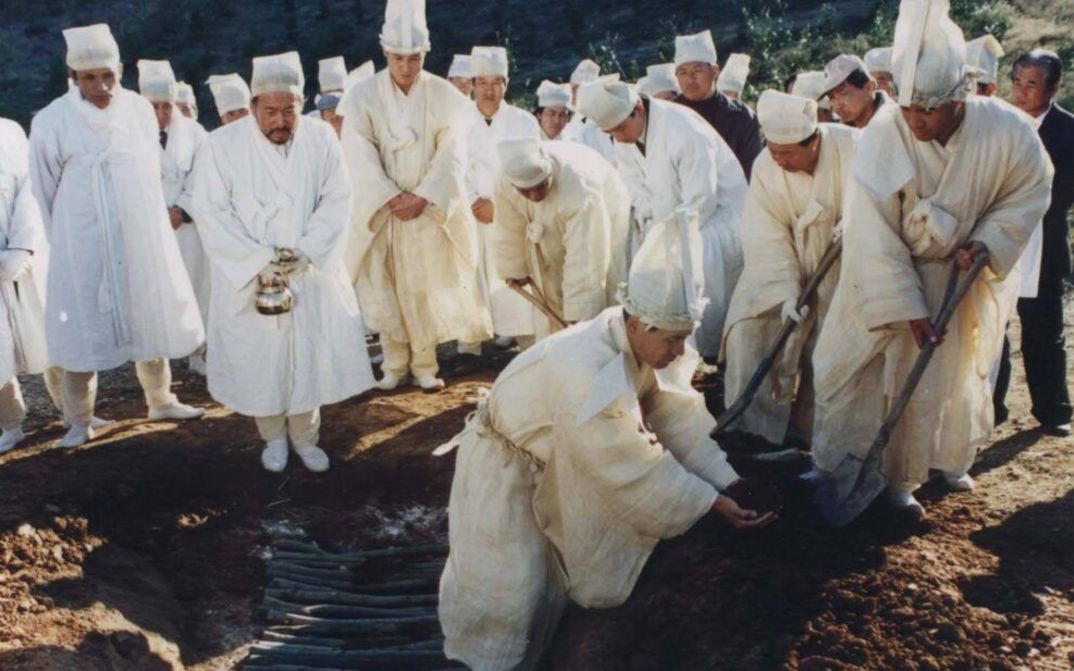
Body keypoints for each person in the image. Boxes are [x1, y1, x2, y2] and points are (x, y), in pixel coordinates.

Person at [438, 211, 775, 671]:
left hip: (551, 458)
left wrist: (727, 481)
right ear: (638, 323)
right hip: (505, 468)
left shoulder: (635, 342)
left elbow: (673, 417)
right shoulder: (586, 368)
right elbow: (630, 463)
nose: (680, 352)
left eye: (684, 339)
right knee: (511, 592)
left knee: (546, 584)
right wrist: (711, 503)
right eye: (674, 340)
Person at [810, 0, 1053, 517]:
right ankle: (843, 466)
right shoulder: (885, 131)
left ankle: (902, 478)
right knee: (850, 370)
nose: (916, 122)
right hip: (880, 277)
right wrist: (906, 305)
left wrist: (988, 239)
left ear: (960, 98)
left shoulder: (1008, 131)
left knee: (931, 383)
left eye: (929, 110)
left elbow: (1029, 189)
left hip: (952, 276)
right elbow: (872, 227)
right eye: (908, 108)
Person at [191, 51, 376, 473]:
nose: (280, 121)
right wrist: (259, 260)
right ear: (253, 106)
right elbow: (212, 211)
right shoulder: (221, 145)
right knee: (263, 357)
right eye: (270, 111)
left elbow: (337, 197)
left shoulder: (321, 138)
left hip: (307, 269)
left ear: (301, 103)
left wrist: (308, 249)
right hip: (253, 275)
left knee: (308, 353)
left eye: (288, 111)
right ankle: (273, 438)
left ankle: (307, 438)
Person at [30, 23, 206, 449]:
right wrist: (69, 242)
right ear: (72, 78)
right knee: (83, 327)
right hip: (81, 241)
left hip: (137, 233)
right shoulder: (53, 119)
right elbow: (44, 188)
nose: (101, 85)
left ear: (120, 71)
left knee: (146, 309)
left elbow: (149, 171)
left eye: (107, 75)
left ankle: (161, 399)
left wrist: (144, 228)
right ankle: (81, 419)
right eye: (89, 77)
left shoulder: (138, 110)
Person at [342, 0, 491, 391]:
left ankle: (425, 364)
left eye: (413, 58)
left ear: (425, 53)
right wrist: (388, 196)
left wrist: (423, 196)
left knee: (425, 283)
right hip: (386, 210)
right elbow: (358, 150)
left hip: (425, 210)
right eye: (396, 58)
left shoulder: (445, 95)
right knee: (386, 282)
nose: (405, 67)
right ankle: (393, 364)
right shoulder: (362, 95)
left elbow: (453, 149)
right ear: (384, 52)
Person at [577, 78, 747, 363]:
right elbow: (633, 183)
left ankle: (704, 359)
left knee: (699, 293)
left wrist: (666, 237)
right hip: (670, 224)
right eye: (611, 133)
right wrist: (652, 224)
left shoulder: (683, 130)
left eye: (620, 129)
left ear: (639, 109)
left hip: (714, 223)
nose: (618, 137)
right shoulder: (625, 134)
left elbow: (701, 199)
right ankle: (675, 358)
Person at [722, 91, 857, 446]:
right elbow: (765, 233)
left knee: (831, 350)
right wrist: (785, 292)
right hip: (781, 267)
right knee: (747, 331)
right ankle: (754, 433)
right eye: (773, 150)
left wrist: (857, 223)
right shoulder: (766, 165)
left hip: (845, 269)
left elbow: (879, 203)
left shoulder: (854, 148)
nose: (778, 160)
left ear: (814, 141)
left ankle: (813, 434)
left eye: (788, 153)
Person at [993, 49, 1073, 436]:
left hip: (1043, 241)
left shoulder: (1068, 131)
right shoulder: (998, 124)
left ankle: (1053, 411)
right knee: (992, 329)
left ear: (1054, 88)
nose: (1021, 93)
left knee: (1044, 331)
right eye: (1017, 83)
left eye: (1032, 85)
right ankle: (991, 409)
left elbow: (1063, 195)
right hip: (999, 239)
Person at [491, 138, 630, 339]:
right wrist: (514, 268)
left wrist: (580, 312)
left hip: (606, 215)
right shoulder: (503, 181)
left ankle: (597, 343)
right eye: (526, 191)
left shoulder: (579, 185)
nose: (535, 195)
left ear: (549, 173)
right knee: (548, 283)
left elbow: (585, 257)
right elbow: (508, 226)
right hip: (552, 225)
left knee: (602, 286)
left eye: (540, 186)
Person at [139, 59, 211, 375]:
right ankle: (160, 363)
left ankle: (199, 352)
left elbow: (204, 175)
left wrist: (181, 210)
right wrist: (156, 214)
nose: (161, 114)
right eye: (153, 107)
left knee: (196, 285)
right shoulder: (129, 134)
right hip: (151, 227)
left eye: (166, 106)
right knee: (157, 292)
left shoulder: (195, 133)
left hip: (186, 226)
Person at [466, 45, 542, 346]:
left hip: (512, 212)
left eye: (496, 82)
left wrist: (502, 206)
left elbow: (531, 167)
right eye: (482, 83)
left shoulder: (524, 122)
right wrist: (474, 201)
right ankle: (472, 343)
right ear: (472, 85)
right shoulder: (458, 121)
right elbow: (453, 167)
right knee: (474, 278)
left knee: (516, 276)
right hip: (472, 213)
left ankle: (524, 341)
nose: (489, 90)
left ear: (506, 85)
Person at [0, 119, 52, 454]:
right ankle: (11, 424)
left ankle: (76, 413)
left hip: (19, 260)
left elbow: (29, 193)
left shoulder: (9, 133)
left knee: (46, 337)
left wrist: (19, 250)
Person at [672, 30, 762, 177]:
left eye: (697, 70)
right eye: (683, 73)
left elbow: (752, 171)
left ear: (714, 71)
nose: (690, 79)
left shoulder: (740, 116)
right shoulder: (669, 115)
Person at [822, 54, 894, 129]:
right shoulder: (841, 133)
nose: (837, 106)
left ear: (868, 87)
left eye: (842, 93)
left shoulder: (895, 122)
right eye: (831, 97)